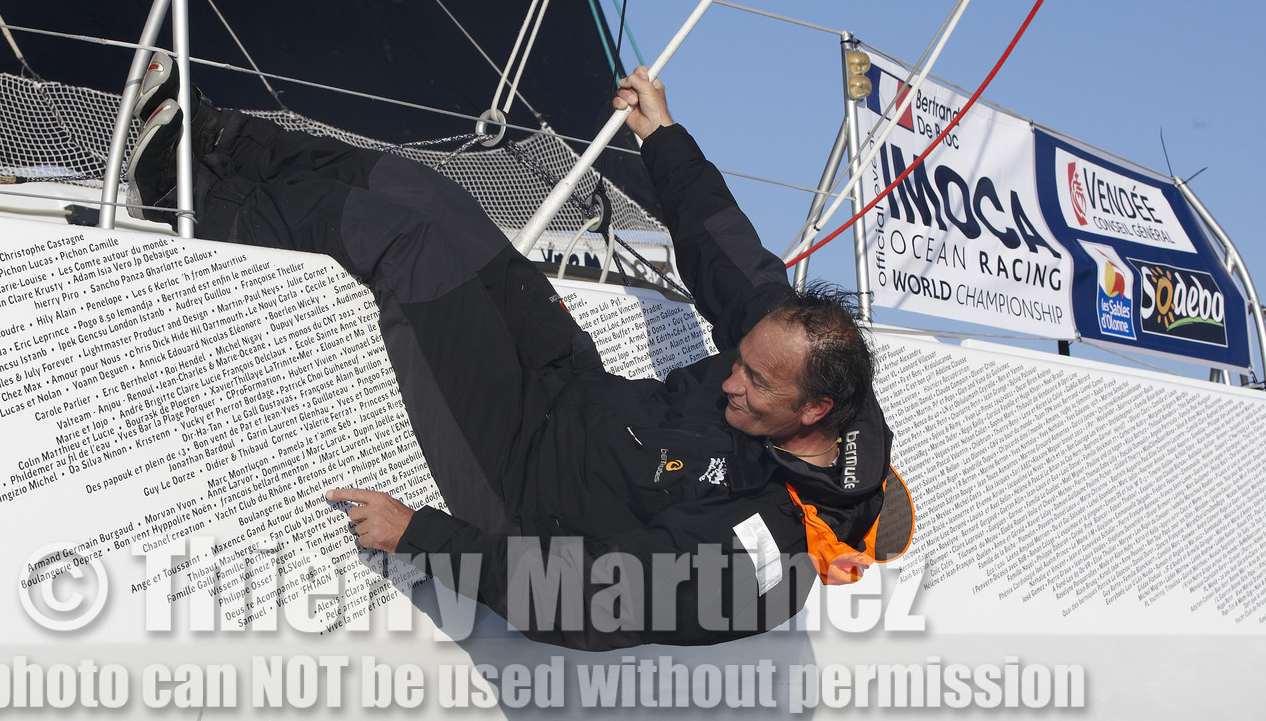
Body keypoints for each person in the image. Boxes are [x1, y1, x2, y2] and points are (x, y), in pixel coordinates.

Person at [130, 59, 897, 650]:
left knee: (411, 246)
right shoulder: (800, 353)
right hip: (574, 387)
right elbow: (722, 245)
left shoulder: (764, 561)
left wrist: (424, 538)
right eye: (742, 360)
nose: (730, 375)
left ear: (812, 410)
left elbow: (590, 602)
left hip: (519, 481)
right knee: (439, 200)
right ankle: (222, 137)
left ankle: (175, 191)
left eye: (753, 382)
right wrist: (662, 134)